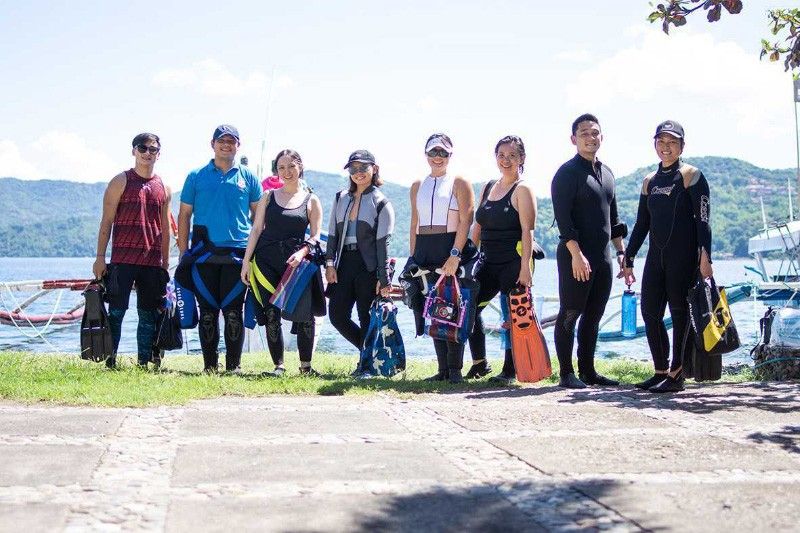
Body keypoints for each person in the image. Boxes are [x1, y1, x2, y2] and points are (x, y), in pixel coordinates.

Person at [623, 120, 713, 393]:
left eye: (672, 142)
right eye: (661, 142)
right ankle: (660, 370)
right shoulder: (649, 181)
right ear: (655, 145)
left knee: (678, 311)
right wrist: (628, 258)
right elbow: (641, 224)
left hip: (683, 257)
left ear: (682, 146)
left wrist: (705, 256)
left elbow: (704, 220)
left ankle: (677, 373)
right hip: (655, 257)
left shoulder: (691, 175)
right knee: (650, 311)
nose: (666, 147)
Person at [177, 125, 262, 373]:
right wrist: (183, 251)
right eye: (221, 141)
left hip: (239, 254)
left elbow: (259, 219)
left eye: (231, 141)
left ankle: (233, 367)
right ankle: (209, 367)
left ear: (238, 145)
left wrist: (255, 254)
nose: (226, 145)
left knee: (234, 313)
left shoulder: (248, 178)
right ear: (212, 144)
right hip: (203, 254)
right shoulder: (196, 176)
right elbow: (184, 215)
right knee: (207, 313)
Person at [551, 114, 627, 389]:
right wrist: (576, 254)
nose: (590, 137)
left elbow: (614, 220)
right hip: (575, 256)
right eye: (584, 133)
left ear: (601, 137)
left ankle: (588, 371)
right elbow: (563, 220)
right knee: (570, 313)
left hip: (603, 257)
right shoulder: (566, 174)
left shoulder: (607, 173)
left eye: (595, 133)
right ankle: (566, 373)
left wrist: (622, 255)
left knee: (594, 315)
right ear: (574, 139)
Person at [241, 149, 325, 376]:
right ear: (276, 171)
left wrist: (303, 252)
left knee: (305, 315)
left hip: (296, 264)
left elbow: (316, 237)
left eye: (291, 166)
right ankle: (278, 366)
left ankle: (306, 367)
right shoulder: (267, 197)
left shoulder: (311, 200)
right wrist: (246, 262)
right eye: (281, 167)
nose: (286, 172)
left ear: (300, 167)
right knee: (270, 314)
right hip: (265, 261)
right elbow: (256, 229)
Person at [93, 132, 171, 369]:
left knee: (148, 315)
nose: (148, 153)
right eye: (143, 148)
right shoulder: (120, 181)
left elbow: (166, 227)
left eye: (153, 149)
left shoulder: (164, 188)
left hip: (151, 260)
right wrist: (99, 258)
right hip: (122, 259)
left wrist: (165, 262)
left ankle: (143, 362)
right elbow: (106, 222)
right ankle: (110, 360)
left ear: (159, 153)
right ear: (134, 151)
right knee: (116, 312)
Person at [407, 133, 476, 384]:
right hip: (425, 250)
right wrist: (412, 258)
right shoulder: (417, 186)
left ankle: (455, 370)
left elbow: (466, 220)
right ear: (426, 154)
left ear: (450, 155)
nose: (438, 157)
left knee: (453, 307)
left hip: (450, 248)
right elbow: (414, 223)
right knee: (433, 307)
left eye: (443, 153)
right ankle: (442, 369)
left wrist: (455, 255)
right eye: (433, 152)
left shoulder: (459, 182)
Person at [468, 135, 537, 384]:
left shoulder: (523, 189)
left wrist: (525, 270)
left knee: (513, 318)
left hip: (513, 262)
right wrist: (465, 257)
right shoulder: (489, 187)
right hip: (488, 261)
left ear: (521, 159)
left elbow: (527, 231)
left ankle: (510, 370)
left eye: (512, 156)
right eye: (501, 155)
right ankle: (479, 363)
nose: (505, 160)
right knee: (469, 306)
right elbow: (478, 227)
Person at [325, 150, 395, 374]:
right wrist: (329, 263)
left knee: (366, 318)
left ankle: (366, 365)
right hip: (344, 263)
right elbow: (332, 234)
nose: (358, 173)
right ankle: (369, 354)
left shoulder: (382, 202)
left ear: (374, 169)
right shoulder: (340, 197)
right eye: (353, 169)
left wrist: (383, 279)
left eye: (363, 168)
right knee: (337, 315)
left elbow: (383, 244)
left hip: (369, 267)